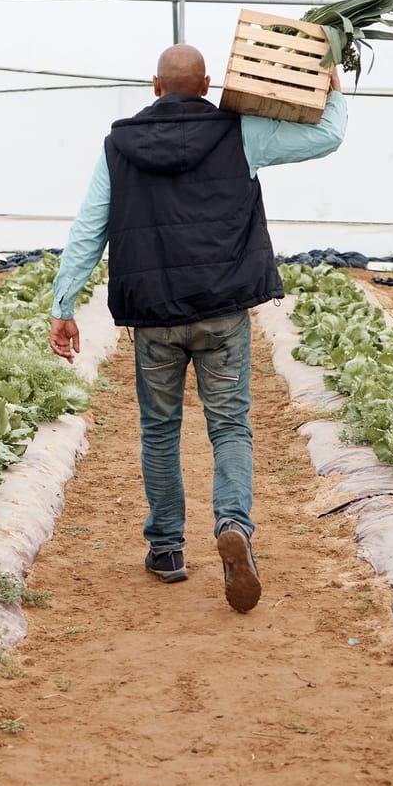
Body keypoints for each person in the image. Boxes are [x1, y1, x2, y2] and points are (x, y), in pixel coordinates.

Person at [48, 43, 349, 612]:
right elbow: (327, 137)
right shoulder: (240, 133)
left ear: (155, 85)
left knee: (160, 430)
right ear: (208, 85)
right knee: (230, 426)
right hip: (222, 312)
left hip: (154, 317)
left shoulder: (118, 146)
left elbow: (89, 227)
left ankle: (166, 549)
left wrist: (64, 305)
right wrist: (332, 86)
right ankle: (233, 524)